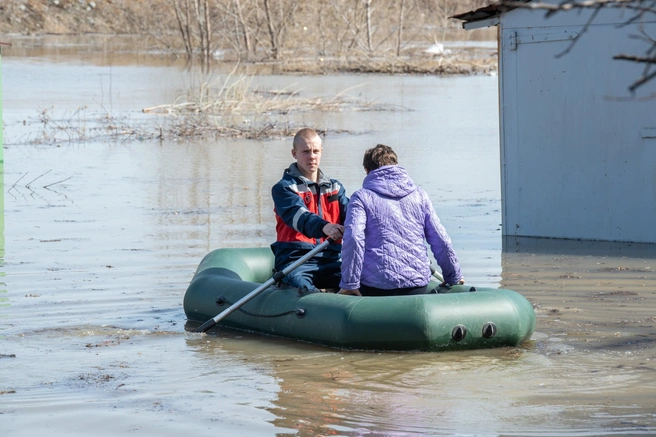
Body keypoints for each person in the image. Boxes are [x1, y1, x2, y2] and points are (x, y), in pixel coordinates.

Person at [339, 144, 464, 297]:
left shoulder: (361, 197)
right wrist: (453, 276)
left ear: (366, 170)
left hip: (376, 288)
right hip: (417, 285)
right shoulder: (420, 195)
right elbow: (441, 239)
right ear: (396, 165)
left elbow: (353, 238)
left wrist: (350, 284)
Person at [271, 128, 349, 292]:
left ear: (321, 152)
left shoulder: (336, 187)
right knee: (304, 290)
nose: (312, 156)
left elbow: (352, 214)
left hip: (332, 259)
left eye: (315, 151)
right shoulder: (283, 189)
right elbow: (300, 216)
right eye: (306, 151)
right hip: (296, 260)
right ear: (294, 153)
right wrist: (326, 227)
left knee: (364, 282)